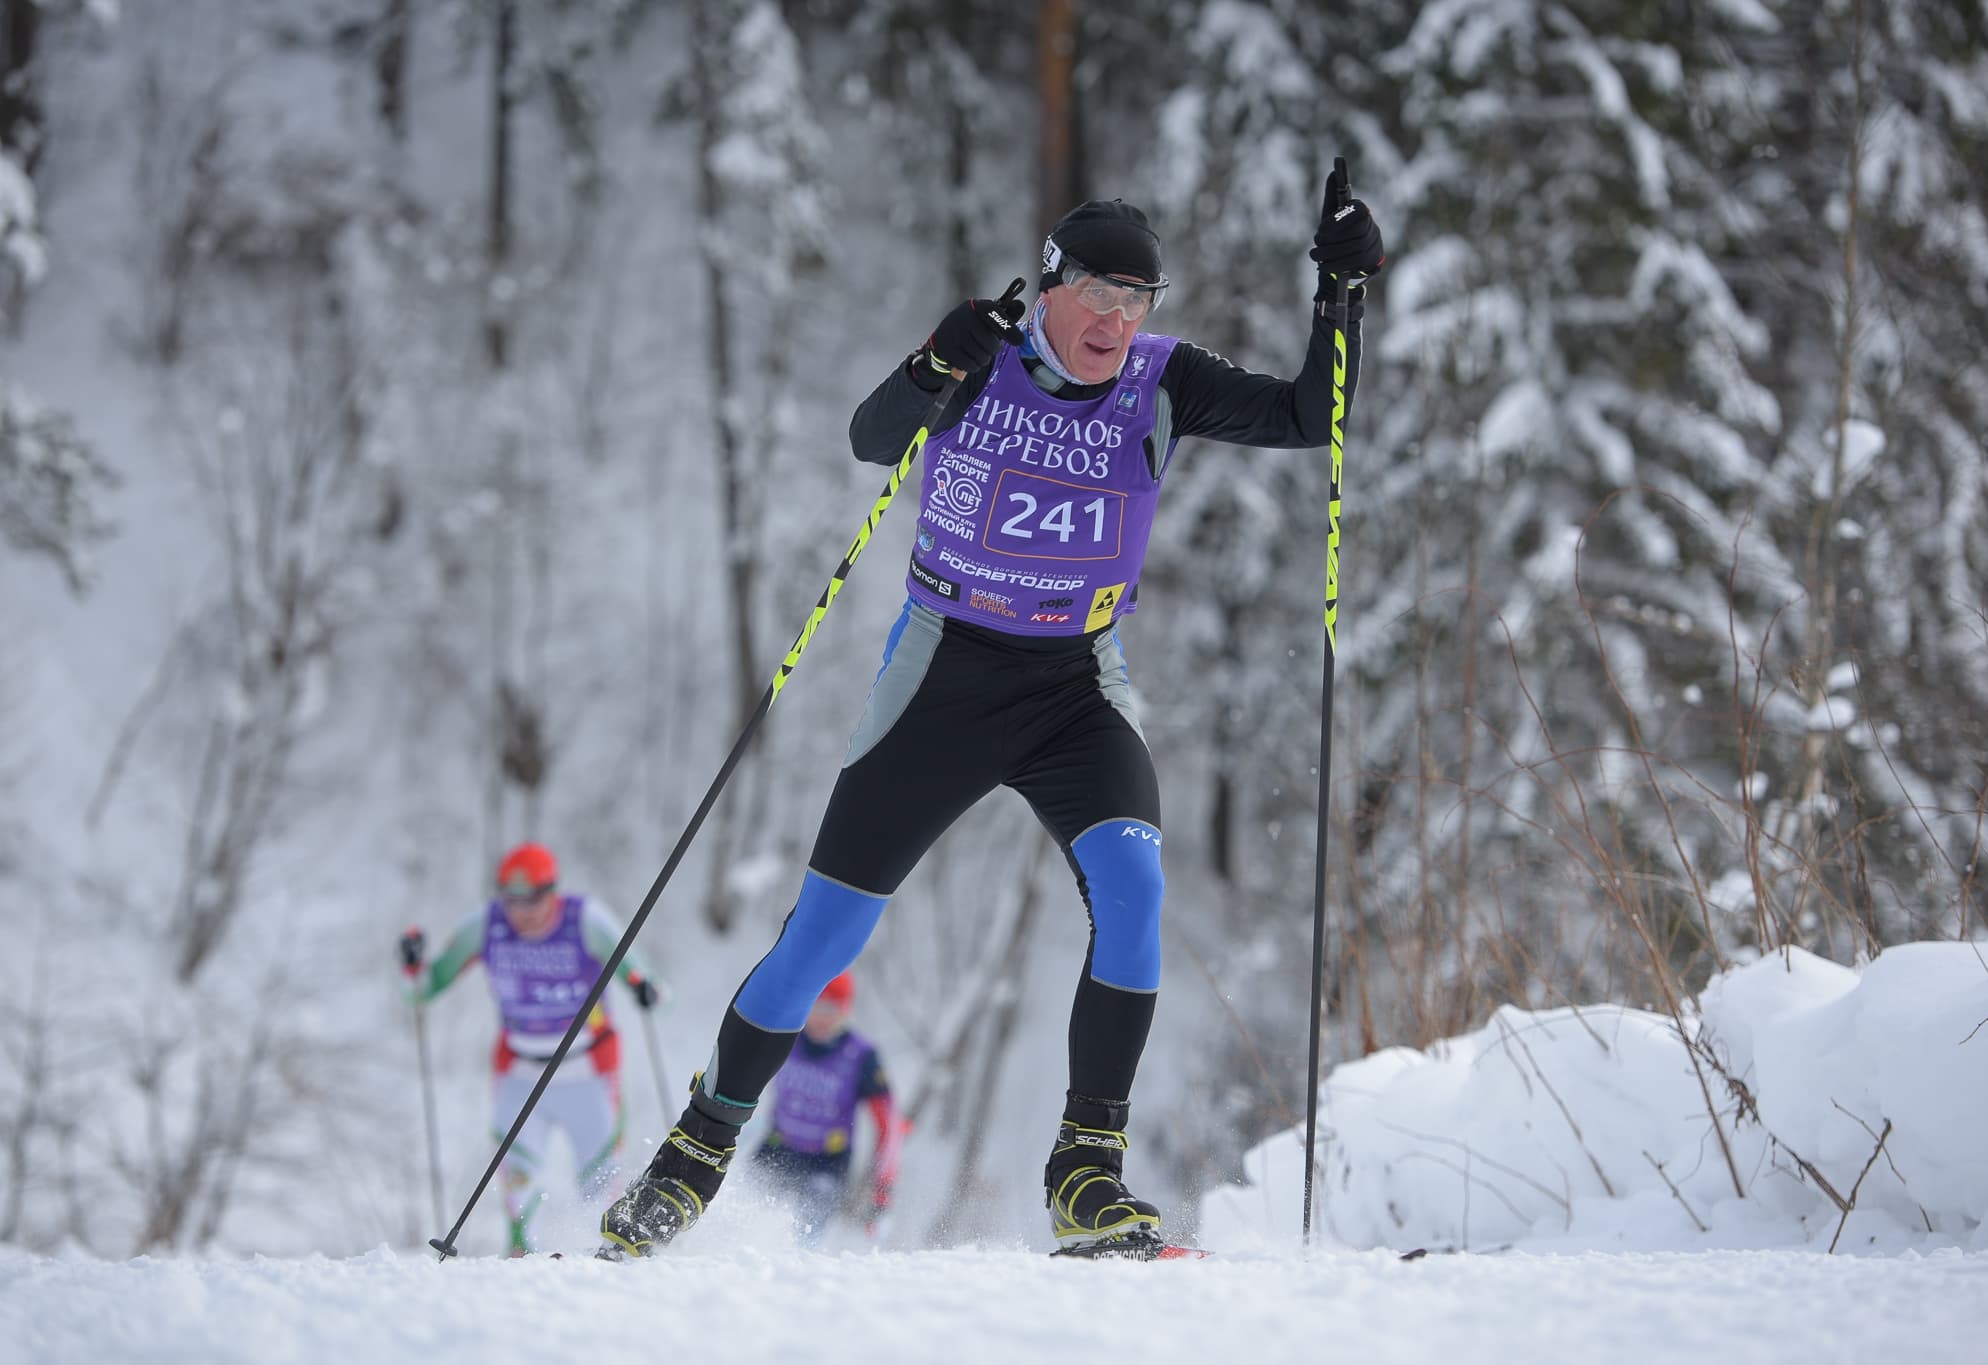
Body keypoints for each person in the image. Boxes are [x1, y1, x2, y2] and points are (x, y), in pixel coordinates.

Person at [598, 159, 1384, 1258]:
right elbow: (874, 440)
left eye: (1136, 297)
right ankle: (695, 1151)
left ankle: (1084, 1173)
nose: (1116, 316)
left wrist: (1339, 298)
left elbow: (1314, 416)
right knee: (823, 939)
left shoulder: (1163, 379)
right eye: (1098, 291)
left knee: (1134, 891)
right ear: (1052, 285)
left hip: (1073, 684)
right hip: (945, 675)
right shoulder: (984, 357)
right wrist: (931, 363)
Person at [402, 841, 664, 1256]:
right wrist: (413, 967)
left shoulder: (584, 919)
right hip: (521, 1073)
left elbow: (640, 972)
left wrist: (643, 987)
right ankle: (521, 1263)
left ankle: (599, 1264)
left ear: (552, 892)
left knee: (599, 1183)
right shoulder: (487, 926)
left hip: (587, 1074)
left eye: (532, 900)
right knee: (518, 1181)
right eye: (512, 901)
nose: (521, 912)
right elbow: (423, 989)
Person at [751, 970, 905, 1246]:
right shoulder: (785, 1036)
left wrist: (882, 1190)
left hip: (826, 1162)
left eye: (831, 1008)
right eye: (815, 1006)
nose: (821, 1017)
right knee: (747, 1219)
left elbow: (888, 1123)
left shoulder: (861, 1056)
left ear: (846, 1010)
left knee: (803, 1237)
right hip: (777, 1147)